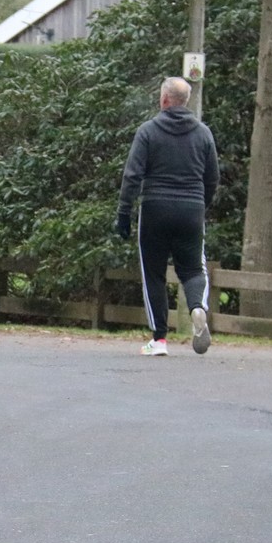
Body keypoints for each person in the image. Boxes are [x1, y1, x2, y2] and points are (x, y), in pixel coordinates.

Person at [115, 75, 219, 357]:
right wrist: (201, 205)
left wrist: (124, 212)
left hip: (155, 209)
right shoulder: (203, 133)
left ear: (163, 99)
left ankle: (159, 339)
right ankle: (197, 308)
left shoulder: (148, 131)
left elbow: (132, 175)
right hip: (191, 209)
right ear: (186, 101)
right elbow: (212, 178)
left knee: (154, 273)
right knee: (194, 269)